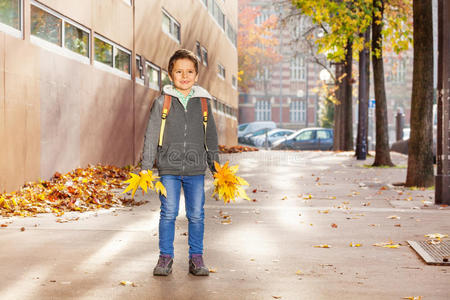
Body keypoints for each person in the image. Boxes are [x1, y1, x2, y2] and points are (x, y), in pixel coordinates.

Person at [141, 49, 220, 276]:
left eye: (189, 72)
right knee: (169, 213)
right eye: (179, 71)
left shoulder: (203, 103)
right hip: (168, 169)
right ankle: (165, 257)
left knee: (196, 215)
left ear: (196, 75)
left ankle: (196, 258)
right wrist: (146, 168)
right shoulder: (162, 102)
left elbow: (211, 137)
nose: (184, 76)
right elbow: (151, 135)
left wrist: (216, 168)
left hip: (196, 170)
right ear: (170, 73)